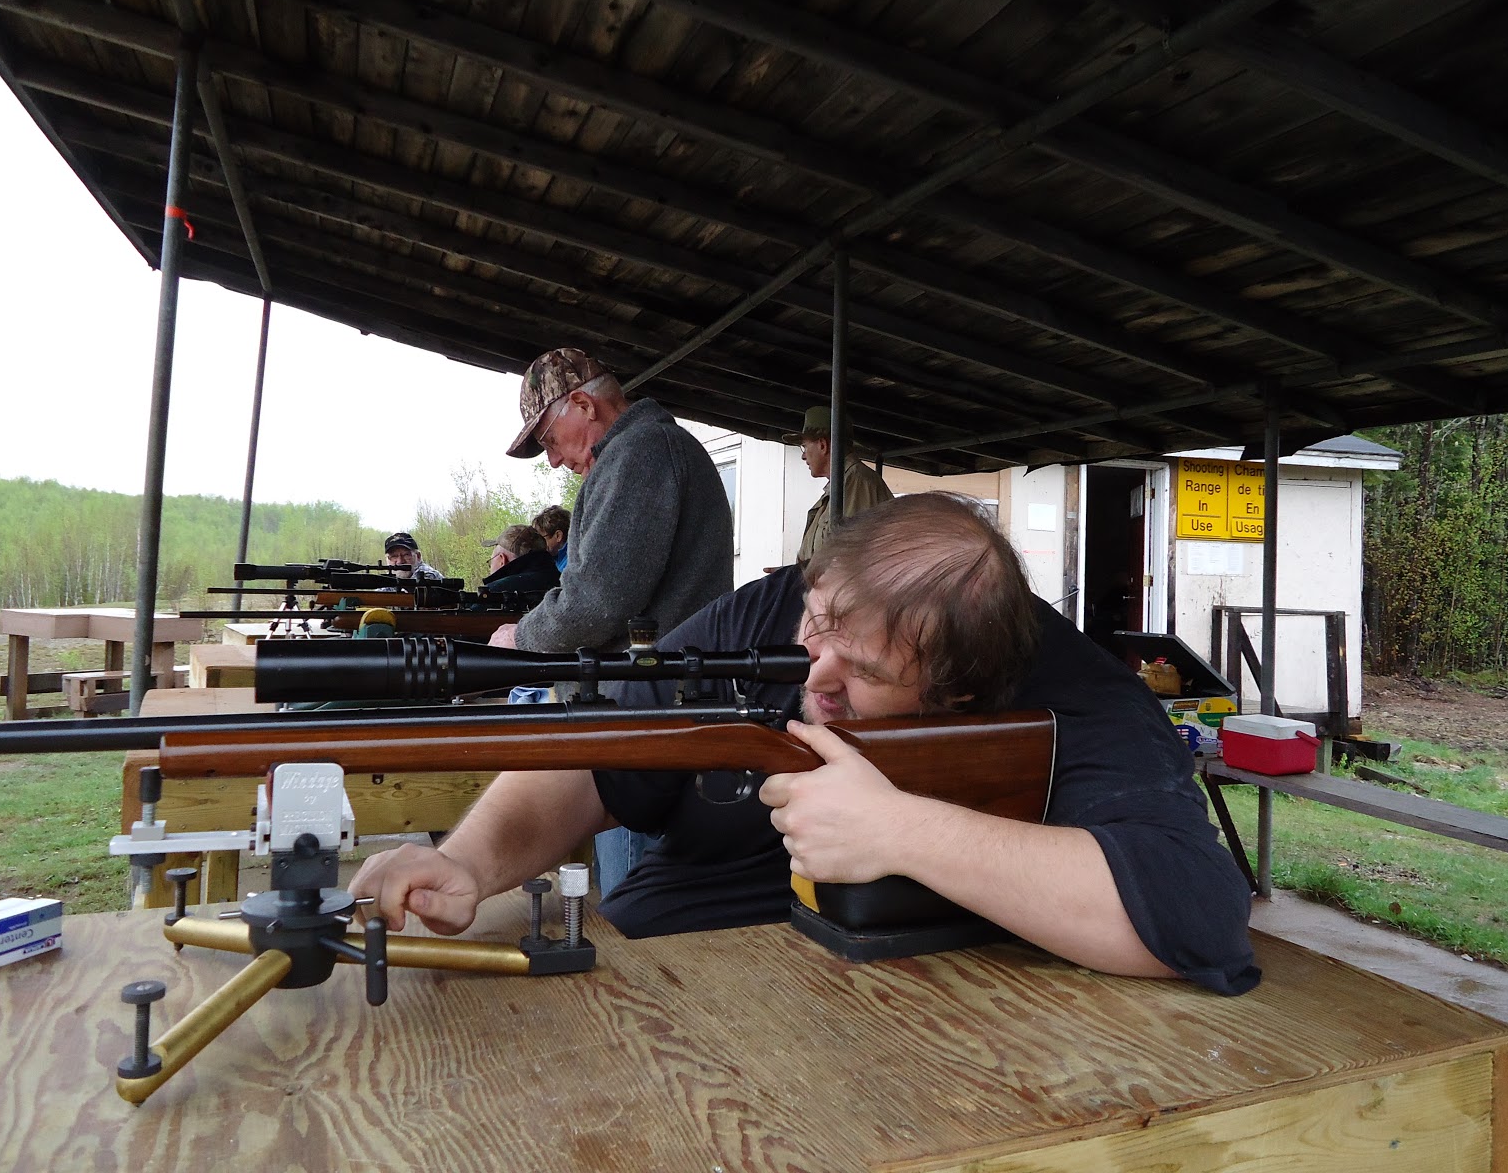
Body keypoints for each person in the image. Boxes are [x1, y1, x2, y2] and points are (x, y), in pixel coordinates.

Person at [351, 493, 1260, 996]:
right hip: (667, 976)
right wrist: (468, 862)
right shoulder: (768, 613)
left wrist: (903, 831)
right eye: (815, 623)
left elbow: (1194, 915)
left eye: (859, 669)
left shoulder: (1078, 702)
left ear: (960, 691)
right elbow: (597, 750)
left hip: (922, 1034)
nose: (811, 674)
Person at [489, 347, 734, 893]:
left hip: (643, 717)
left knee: (631, 894)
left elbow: (598, 597)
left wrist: (522, 638)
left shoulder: (640, 455)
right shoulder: (647, 452)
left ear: (581, 403)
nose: (552, 459)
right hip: (657, 707)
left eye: (549, 439)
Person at [785, 406, 894, 564]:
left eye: (804, 446)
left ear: (823, 445)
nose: (803, 455)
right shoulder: (844, 484)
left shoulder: (858, 482)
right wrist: (790, 576)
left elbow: (849, 558)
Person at [479, 524, 560, 596]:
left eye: (490, 561)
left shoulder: (493, 592)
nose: (490, 567)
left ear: (502, 560)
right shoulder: (565, 582)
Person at [532, 505, 572, 575]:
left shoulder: (570, 565)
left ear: (558, 536)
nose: (537, 545)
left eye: (541, 539)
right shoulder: (553, 559)